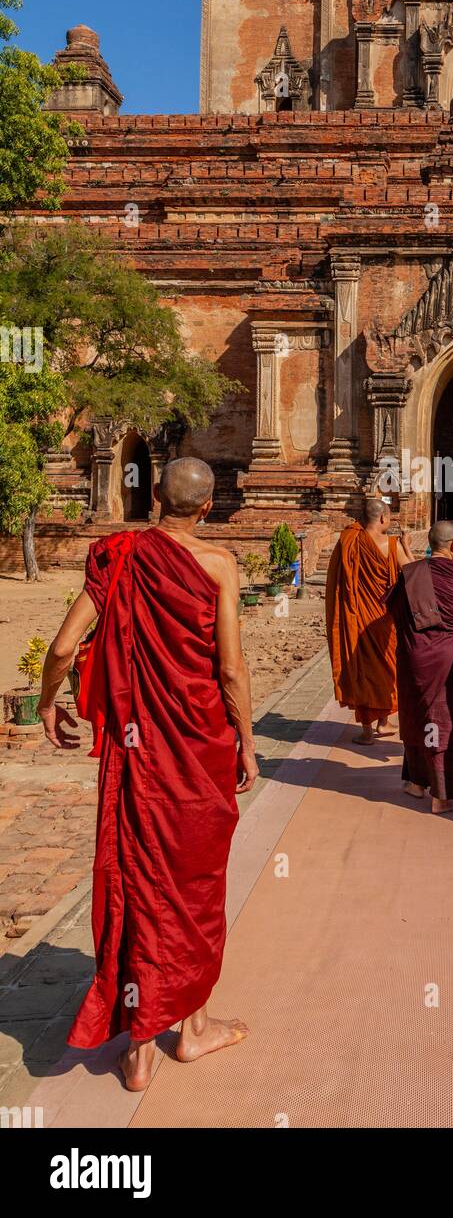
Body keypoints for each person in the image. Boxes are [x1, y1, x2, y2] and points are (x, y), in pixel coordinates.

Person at [37, 457, 258, 1092]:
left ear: (154, 497)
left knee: (135, 879)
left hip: (136, 759)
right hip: (197, 754)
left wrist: (49, 702)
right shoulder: (219, 566)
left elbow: (60, 647)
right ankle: (191, 1029)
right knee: (192, 889)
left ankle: (139, 1050)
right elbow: (233, 670)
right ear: (208, 508)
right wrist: (246, 744)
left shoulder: (119, 555)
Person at [388, 520, 453, 814]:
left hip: (414, 659)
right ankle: (443, 796)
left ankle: (416, 782)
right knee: (445, 724)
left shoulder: (411, 574)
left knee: (418, 715)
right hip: (450, 661)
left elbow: (395, 612)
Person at [325, 498, 413, 745]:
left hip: (357, 618)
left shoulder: (348, 542)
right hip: (384, 621)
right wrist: (407, 548)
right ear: (383, 518)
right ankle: (383, 722)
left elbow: (339, 583)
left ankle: (368, 731)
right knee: (386, 669)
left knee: (363, 669)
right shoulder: (392, 545)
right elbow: (414, 575)